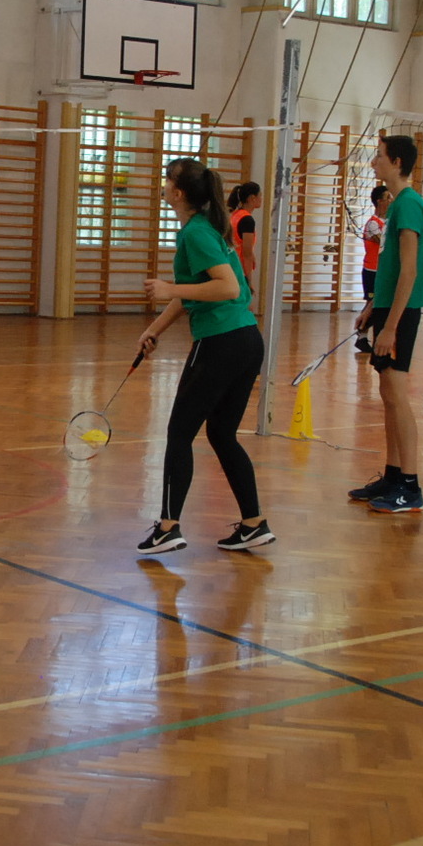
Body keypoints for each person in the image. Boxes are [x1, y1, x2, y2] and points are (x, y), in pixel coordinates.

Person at [132, 158, 272, 556]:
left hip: (221, 343)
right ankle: (253, 523)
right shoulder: (207, 227)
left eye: (167, 180)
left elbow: (227, 288)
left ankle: (168, 528)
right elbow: (197, 289)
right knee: (221, 433)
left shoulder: (196, 232)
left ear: (178, 192)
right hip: (245, 341)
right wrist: (154, 329)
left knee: (180, 432)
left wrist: (169, 288)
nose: (163, 185)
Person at [348, 134, 423, 513]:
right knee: (387, 396)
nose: (374, 162)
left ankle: (410, 487)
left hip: (402, 312)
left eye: (379, 156)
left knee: (398, 397)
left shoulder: (410, 204)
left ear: (397, 162)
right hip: (386, 308)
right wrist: (373, 307)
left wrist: (390, 326)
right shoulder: (397, 204)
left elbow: (410, 271)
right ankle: (393, 475)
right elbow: (391, 266)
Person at [226, 181, 261, 297]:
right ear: (252, 198)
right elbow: (246, 254)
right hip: (239, 269)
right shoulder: (247, 220)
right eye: (260, 195)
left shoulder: (235, 215)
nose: (261, 199)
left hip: (230, 264)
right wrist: (249, 281)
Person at [361, 185, 390, 304]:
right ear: (379, 201)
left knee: (382, 305)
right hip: (372, 270)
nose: (391, 200)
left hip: (384, 270)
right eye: (388, 197)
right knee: (371, 304)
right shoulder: (373, 223)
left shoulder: (389, 222)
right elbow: (385, 243)